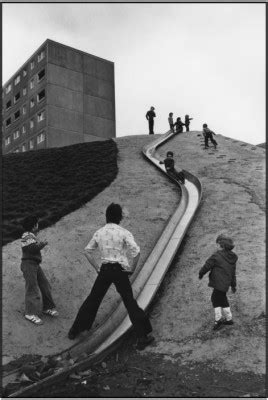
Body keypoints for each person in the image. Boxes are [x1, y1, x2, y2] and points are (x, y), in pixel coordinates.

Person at [68, 203, 155, 350]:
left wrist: (97, 267)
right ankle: (142, 336)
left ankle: (75, 330)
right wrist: (132, 269)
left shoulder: (99, 232)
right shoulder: (124, 232)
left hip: (105, 270)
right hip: (120, 270)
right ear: (120, 217)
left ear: (107, 216)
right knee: (129, 302)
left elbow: (87, 251)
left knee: (93, 299)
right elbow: (136, 252)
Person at [20, 215, 59, 325]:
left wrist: (38, 240)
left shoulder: (31, 235)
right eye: (37, 224)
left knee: (44, 284)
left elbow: (33, 245)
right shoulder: (26, 235)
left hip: (35, 265)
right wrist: (42, 243)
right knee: (32, 288)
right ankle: (30, 313)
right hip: (28, 265)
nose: (38, 225)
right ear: (33, 226)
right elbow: (32, 249)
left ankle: (48, 307)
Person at [198, 234, 238, 331]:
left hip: (218, 283)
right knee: (222, 299)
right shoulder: (232, 258)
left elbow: (207, 266)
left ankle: (218, 320)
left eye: (217, 244)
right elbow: (233, 273)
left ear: (222, 246)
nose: (216, 246)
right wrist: (233, 285)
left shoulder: (216, 256)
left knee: (215, 298)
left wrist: (201, 273)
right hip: (225, 284)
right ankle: (229, 319)